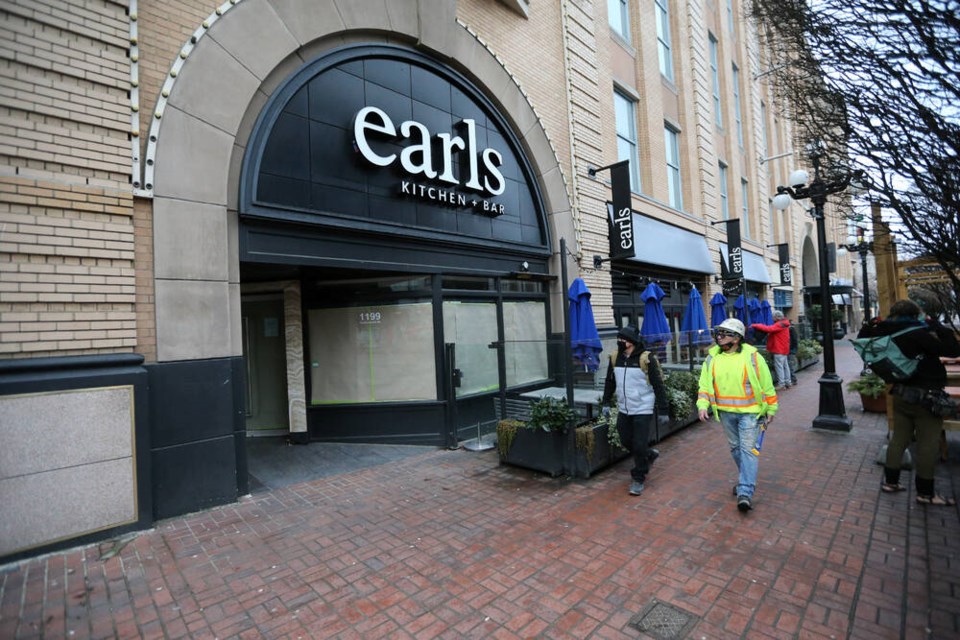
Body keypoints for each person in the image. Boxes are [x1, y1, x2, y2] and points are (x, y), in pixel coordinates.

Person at [857, 299, 960, 506]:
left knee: (898, 440)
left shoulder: (884, 330)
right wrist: (939, 327)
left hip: (900, 394)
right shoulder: (920, 333)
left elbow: (862, 338)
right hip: (926, 396)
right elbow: (953, 350)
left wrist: (871, 324)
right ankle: (925, 493)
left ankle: (891, 482)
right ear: (916, 314)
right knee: (927, 444)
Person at [696, 318, 778, 512]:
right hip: (725, 413)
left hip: (750, 413)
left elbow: (766, 384)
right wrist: (702, 404)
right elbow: (705, 385)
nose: (720, 337)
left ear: (737, 338)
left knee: (748, 450)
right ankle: (746, 478)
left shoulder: (753, 357)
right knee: (735, 449)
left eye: (725, 333)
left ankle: (745, 491)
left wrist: (772, 408)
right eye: (719, 333)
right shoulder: (712, 358)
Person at [601, 325, 670, 496]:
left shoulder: (646, 359)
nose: (619, 342)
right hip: (624, 407)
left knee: (639, 443)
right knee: (625, 439)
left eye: (622, 339)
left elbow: (658, 385)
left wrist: (663, 410)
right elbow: (610, 382)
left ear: (631, 342)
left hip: (643, 407)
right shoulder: (615, 358)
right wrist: (606, 402)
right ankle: (648, 454)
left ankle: (639, 477)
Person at [750, 310, 792, 390]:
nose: (772, 318)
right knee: (785, 366)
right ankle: (788, 382)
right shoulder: (784, 324)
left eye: (773, 317)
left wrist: (756, 325)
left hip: (779, 349)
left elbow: (769, 329)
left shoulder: (779, 324)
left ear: (776, 317)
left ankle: (781, 384)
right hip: (784, 348)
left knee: (779, 366)